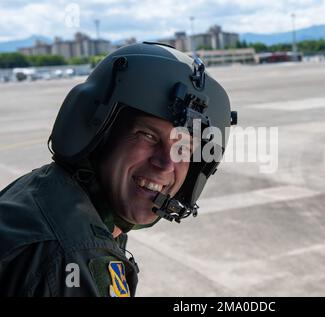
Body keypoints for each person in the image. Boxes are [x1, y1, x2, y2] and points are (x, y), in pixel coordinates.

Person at [0, 42, 237, 297]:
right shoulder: (73, 254)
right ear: (99, 137)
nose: (166, 163)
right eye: (147, 135)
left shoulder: (44, 193)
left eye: (184, 148)